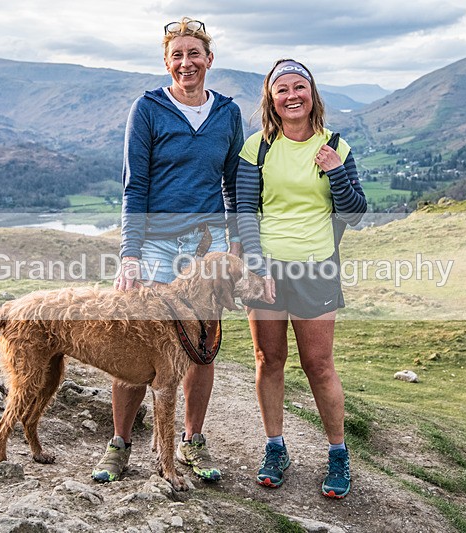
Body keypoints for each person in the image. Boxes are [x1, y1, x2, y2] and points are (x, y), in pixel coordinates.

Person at [91, 17, 244, 484]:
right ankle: (120, 444)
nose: (186, 63)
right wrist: (129, 254)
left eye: (194, 53)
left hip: (208, 247)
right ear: (166, 61)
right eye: (176, 55)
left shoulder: (228, 113)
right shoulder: (149, 108)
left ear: (209, 59)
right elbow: (134, 187)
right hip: (155, 246)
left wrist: (235, 244)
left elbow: (234, 183)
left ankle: (191, 443)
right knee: (139, 342)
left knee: (202, 349)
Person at [236, 59, 367, 498]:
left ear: (312, 94)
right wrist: (255, 265)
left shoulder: (336, 146)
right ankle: (275, 448)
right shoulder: (256, 148)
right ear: (271, 99)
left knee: (319, 365)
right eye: (282, 89)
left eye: (300, 87)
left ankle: (338, 453)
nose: (292, 96)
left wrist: (334, 169)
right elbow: (245, 212)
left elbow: (355, 213)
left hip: (317, 268)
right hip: (267, 270)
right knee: (268, 360)